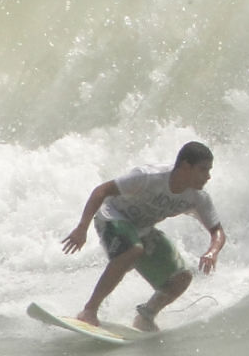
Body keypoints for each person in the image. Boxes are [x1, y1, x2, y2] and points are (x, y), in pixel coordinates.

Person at [61, 141, 225, 331]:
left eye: (209, 170)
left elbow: (217, 231)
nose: (208, 176)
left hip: (142, 230)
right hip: (111, 216)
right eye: (203, 170)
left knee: (181, 278)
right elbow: (101, 191)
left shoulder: (198, 197)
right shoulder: (149, 176)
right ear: (186, 166)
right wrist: (82, 228)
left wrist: (212, 252)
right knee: (133, 250)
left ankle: (146, 316)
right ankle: (89, 311)